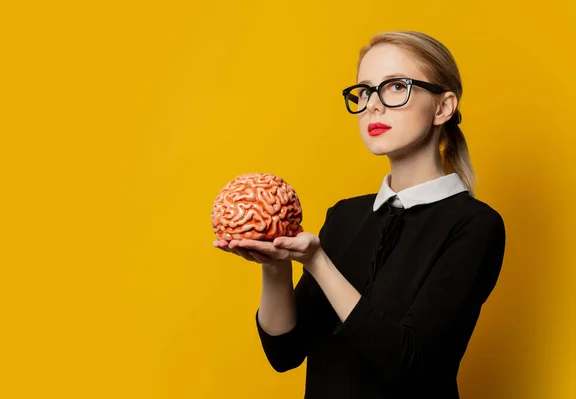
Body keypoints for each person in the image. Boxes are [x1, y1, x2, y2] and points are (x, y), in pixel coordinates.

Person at [213, 30, 506, 399]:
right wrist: (274, 264)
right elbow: (283, 352)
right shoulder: (345, 217)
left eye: (396, 86)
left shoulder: (475, 226)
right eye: (365, 90)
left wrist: (318, 262)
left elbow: (410, 364)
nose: (373, 105)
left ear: (443, 107)